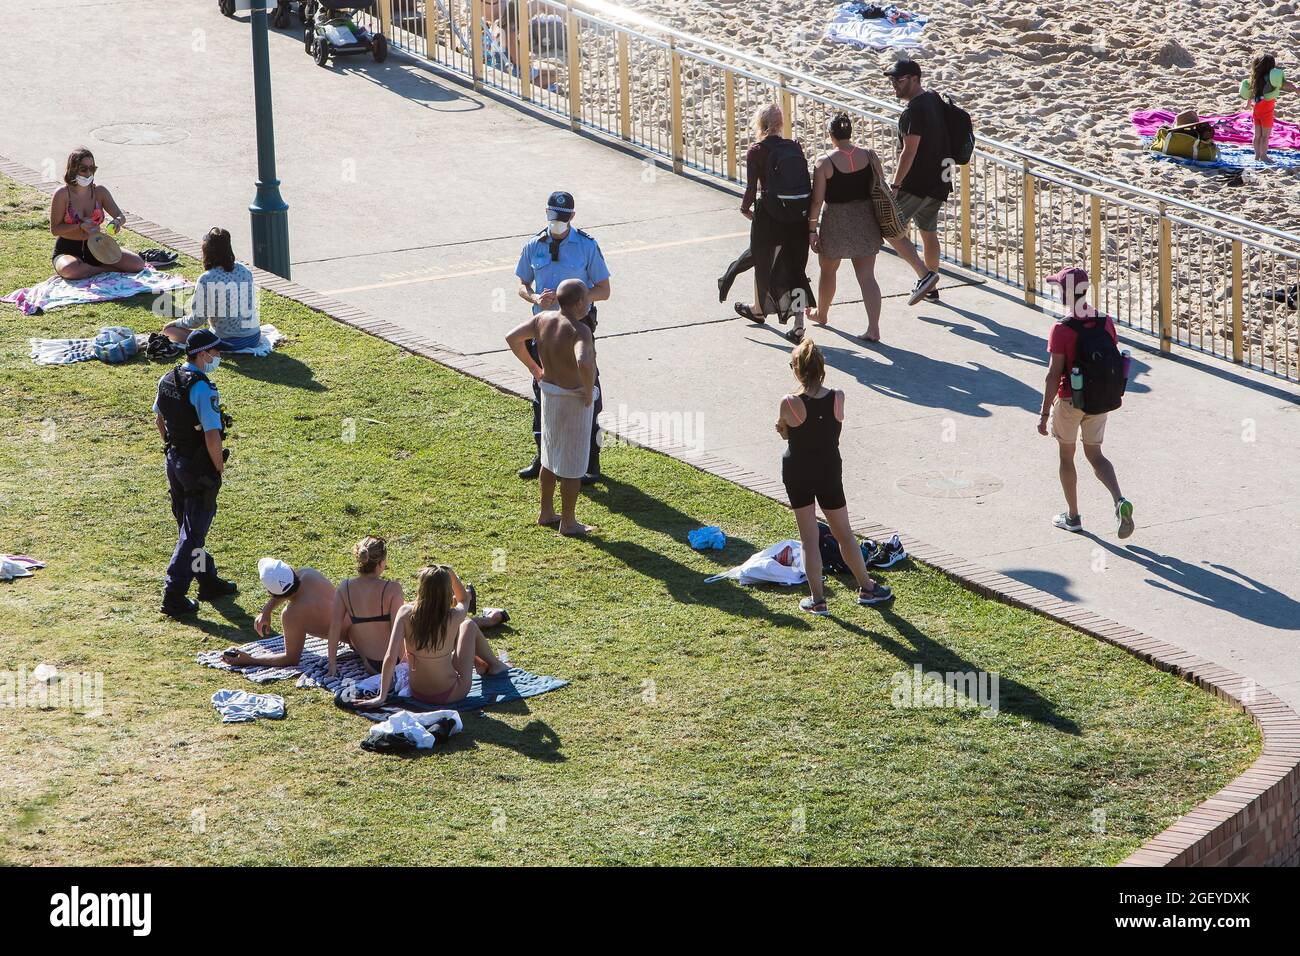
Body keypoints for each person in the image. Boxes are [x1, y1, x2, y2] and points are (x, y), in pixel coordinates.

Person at [776, 337, 893, 614]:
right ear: (822, 368)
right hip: (829, 470)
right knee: (844, 534)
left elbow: (785, 432)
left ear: (796, 370)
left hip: (797, 472)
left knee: (808, 538)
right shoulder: (838, 397)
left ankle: (818, 601)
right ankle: (867, 587)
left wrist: (783, 429)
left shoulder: (790, 402)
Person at [514, 190, 610, 484]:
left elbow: (603, 290)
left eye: (564, 219)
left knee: (587, 390)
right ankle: (543, 457)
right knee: (542, 390)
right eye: (554, 218)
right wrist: (534, 297)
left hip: (576, 325)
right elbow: (521, 283)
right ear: (546, 214)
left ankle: (591, 461)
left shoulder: (586, 246)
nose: (558, 224)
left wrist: (572, 299)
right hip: (543, 326)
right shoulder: (534, 245)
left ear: (572, 217)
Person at [1036, 267, 1135, 539]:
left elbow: (1053, 374)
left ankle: (1073, 516)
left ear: (1066, 293)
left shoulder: (1061, 328)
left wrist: (1044, 414)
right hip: (1100, 400)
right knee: (1096, 455)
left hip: (1070, 400)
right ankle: (1119, 500)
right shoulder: (1105, 321)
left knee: (1066, 457)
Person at [154, 329, 238, 617]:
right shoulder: (203, 388)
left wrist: (172, 446)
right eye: (215, 352)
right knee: (191, 534)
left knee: (189, 529)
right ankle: (173, 595)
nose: (218, 357)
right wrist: (218, 466)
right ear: (202, 354)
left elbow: (159, 419)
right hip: (197, 468)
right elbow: (213, 435)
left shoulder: (167, 378)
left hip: (174, 462)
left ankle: (207, 579)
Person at [506, 278, 598, 537]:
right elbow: (584, 360)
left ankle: (546, 511)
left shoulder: (542, 319)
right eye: (587, 299)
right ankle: (568, 522)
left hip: (549, 392)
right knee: (573, 462)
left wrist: (534, 368)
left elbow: (512, 338)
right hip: (572, 398)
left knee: (549, 453)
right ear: (579, 302)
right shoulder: (580, 330)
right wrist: (588, 389)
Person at [352, 566, 511, 710]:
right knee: (468, 624)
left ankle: (484, 665)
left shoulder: (405, 613)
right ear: (447, 593)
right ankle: (496, 665)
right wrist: (450, 572)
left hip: (418, 692)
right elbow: (464, 599)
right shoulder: (452, 616)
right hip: (451, 693)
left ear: (421, 588)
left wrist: (381, 696)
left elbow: (390, 657)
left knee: (463, 627)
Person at [727, 104, 816, 343]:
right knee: (797, 270)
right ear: (780, 124)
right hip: (797, 215)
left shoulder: (756, 150)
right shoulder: (794, 147)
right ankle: (798, 325)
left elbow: (750, 187)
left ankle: (758, 308)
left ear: (760, 125)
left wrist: (745, 209)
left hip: (770, 215)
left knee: (762, 258)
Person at [806, 113, 889, 341]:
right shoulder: (869, 155)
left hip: (836, 220)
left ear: (831, 135)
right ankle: (874, 328)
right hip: (865, 218)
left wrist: (812, 230)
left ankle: (821, 314)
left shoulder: (824, 162)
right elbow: (880, 187)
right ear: (850, 133)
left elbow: (817, 200)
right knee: (867, 277)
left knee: (828, 270)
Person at [882, 60, 947, 305]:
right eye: (892, 81)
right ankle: (931, 289)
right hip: (939, 181)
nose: (894, 86)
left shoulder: (913, 112)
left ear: (914, 79)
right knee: (928, 231)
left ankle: (925, 275)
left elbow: (908, 151)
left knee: (891, 228)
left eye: (898, 81)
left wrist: (896, 185)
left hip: (917, 184)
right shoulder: (934, 100)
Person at [49, 147, 147, 280]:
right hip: (68, 248)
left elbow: (120, 216)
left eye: (92, 168)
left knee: (137, 264)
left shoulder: (99, 191)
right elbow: (55, 229)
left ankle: (92, 270)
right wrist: (79, 226)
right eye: (84, 169)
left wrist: (117, 222)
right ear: (73, 169)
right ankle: (105, 269)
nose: (89, 173)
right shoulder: (62, 194)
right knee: (70, 270)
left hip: (98, 245)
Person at [223, 559, 337, 668]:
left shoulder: (291, 615)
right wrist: (267, 610)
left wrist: (251, 660)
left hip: (355, 641)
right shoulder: (309, 573)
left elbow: (291, 659)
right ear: (291, 570)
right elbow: (289, 587)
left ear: (269, 592)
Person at [162, 228, 261, 351]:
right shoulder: (244, 270)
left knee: (169, 331)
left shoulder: (206, 279)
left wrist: (176, 323)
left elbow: (196, 320)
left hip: (228, 341)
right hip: (254, 336)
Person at [1239, 54, 1296, 163]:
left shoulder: (1255, 78)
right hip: (1267, 111)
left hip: (1257, 110)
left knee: (1257, 135)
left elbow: (1251, 94)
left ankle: (1257, 156)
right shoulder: (1270, 79)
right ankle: (1264, 156)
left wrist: (1248, 104)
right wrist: (1295, 88)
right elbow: (1284, 83)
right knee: (1265, 136)